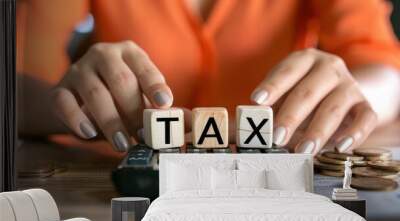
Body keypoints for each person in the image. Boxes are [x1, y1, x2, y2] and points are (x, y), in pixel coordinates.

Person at [17, 0, 400, 155]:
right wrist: (76, 109)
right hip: (120, 182)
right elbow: (17, 84)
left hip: (271, 186)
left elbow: (386, 71)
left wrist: (348, 99)